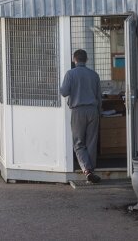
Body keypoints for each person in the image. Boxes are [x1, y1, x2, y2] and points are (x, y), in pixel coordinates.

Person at [60, 49, 102, 184]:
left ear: (74, 59)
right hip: (93, 111)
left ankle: (87, 170)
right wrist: (98, 112)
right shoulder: (94, 75)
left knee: (78, 143)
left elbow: (64, 92)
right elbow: (99, 96)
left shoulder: (70, 74)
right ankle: (91, 171)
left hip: (78, 111)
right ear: (87, 59)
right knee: (91, 142)